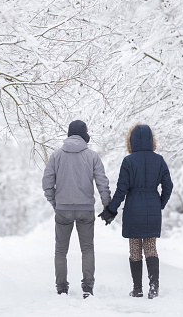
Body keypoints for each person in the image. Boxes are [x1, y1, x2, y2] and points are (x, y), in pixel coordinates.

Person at [99, 124, 173, 299]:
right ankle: (153, 288)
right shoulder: (159, 160)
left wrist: (110, 210)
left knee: (134, 249)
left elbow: (121, 190)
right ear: (151, 140)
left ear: (131, 141)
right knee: (151, 248)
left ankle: (137, 289)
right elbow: (168, 186)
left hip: (133, 210)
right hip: (152, 209)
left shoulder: (128, 161)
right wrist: (159, 204)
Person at [42, 120, 111, 298]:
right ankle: (88, 287)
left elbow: (47, 183)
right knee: (87, 249)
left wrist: (55, 203)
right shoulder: (92, 156)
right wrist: (107, 205)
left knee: (60, 250)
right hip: (86, 209)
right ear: (84, 134)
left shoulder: (56, 156)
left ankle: (62, 288)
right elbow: (102, 182)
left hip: (63, 209)